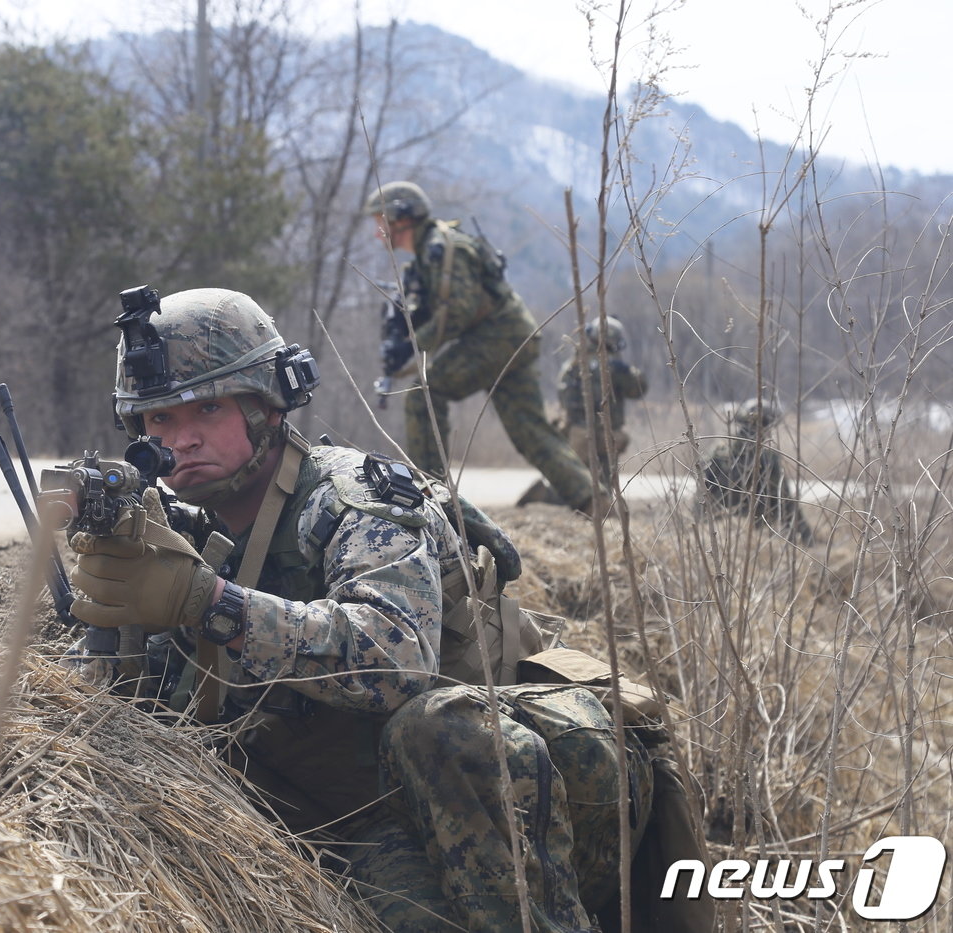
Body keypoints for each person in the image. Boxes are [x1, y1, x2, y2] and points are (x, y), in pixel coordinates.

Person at [61, 286, 707, 932]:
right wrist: (116, 616)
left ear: (267, 406)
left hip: (529, 793)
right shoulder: (191, 532)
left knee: (434, 726)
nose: (181, 438)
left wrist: (208, 603)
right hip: (377, 812)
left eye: (206, 407)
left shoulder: (352, 501)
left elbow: (395, 661)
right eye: (158, 420)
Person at [363, 181, 594, 513]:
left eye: (380, 222)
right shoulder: (428, 257)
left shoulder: (443, 249)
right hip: (511, 337)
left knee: (424, 393)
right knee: (531, 432)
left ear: (401, 217)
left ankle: (431, 499)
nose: (377, 233)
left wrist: (416, 343)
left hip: (498, 338)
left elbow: (459, 310)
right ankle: (594, 503)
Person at [699, 395, 813, 545]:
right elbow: (785, 503)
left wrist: (701, 528)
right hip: (754, 539)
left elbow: (701, 499)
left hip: (719, 536)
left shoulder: (717, 452)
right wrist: (806, 537)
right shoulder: (768, 459)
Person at [558, 318, 648, 486]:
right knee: (602, 484)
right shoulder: (612, 367)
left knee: (576, 482)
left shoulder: (572, 365)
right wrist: (624, 368)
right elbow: (639, 388)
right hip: (603, 434)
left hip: (575, 433)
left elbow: (561, 396)